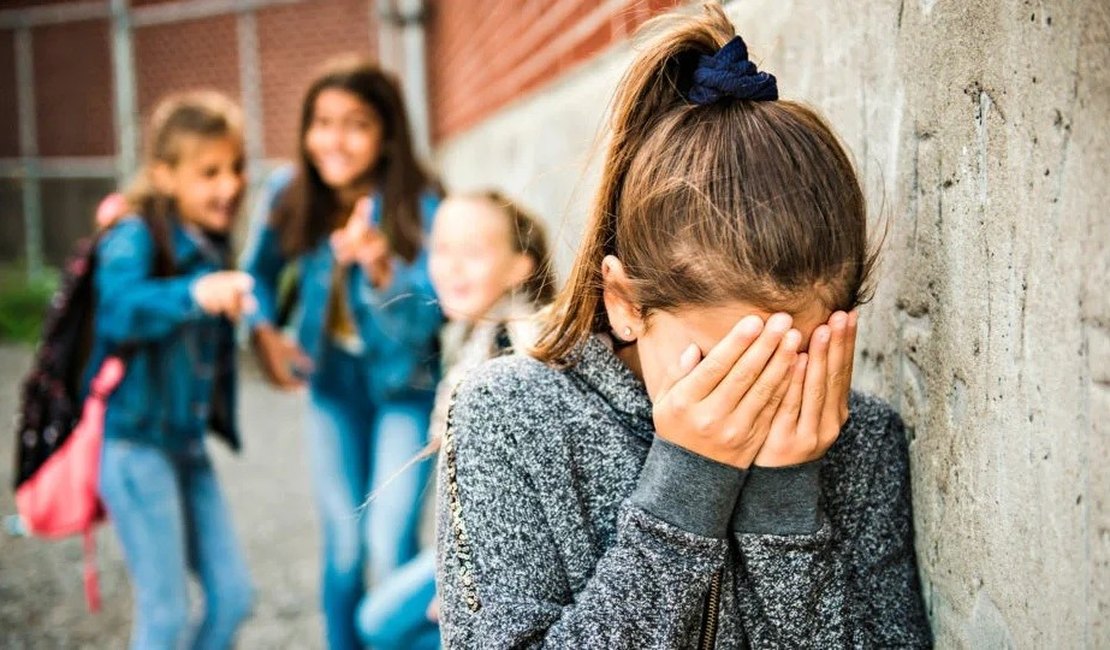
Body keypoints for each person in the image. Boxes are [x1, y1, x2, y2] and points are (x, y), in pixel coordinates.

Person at [435, 4, 932, 648]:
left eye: (793, 358)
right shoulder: (507, 415)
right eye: (724, 365)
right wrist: (684, 493)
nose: (752, 400)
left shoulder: (860, 442)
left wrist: (785, 509)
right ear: (624, 303)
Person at [240, 56, 442, 650]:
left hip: (407, 387)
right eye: (322, 122)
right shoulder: (289, 193)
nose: (335, 139)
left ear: (385, 135)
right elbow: (254, 276)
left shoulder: (419, 202)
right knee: (346, 547)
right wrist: (262, 332)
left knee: (388, 540)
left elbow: (433, 318)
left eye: (356, 123)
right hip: (333, 388)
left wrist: (381, 268)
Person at [357, 190, 556, 650]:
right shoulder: (475, 334)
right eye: (442, 249)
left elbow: (520, 490)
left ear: (518, 267)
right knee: (380, 622)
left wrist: (468, 585)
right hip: (475, 544)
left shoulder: (517, 349)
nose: (452, 266)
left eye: (474, 252)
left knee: (382, 626)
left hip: (506, 557)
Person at [94, 91, 255, 650]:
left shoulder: (210, 244)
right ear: (164, 176)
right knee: (163, 616)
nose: (229, 185)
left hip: (185, 446)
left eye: (235, 168)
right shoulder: (135, 234)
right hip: (135, 448)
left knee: (234, 597)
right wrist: (195, 292)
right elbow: (116, 311)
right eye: (209, 171)